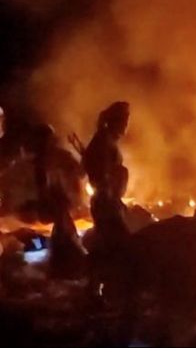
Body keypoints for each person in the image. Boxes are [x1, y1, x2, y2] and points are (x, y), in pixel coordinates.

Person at [83, 101, 131, 298]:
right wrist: (111, 197)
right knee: (116, 245)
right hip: (106, 202)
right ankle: (102, 291)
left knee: (108, 246)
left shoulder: (105, 140)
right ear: (115, 121)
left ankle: (98, 290)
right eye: (124, 120)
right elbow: (100, 175)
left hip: (108, 200)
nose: (126, 125)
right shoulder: (102, 142)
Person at [32, 124, 87, 278]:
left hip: (62, 207)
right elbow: (43, 190)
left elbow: (80, 173)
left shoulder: (59, 158)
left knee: (64, 233)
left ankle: (65, 266)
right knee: (64, 234)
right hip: (60, 208)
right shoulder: (41, 162)